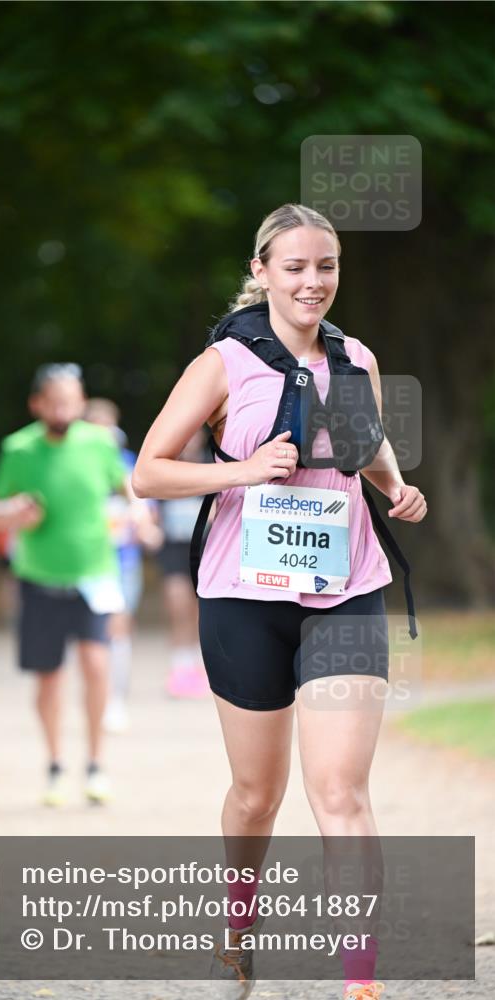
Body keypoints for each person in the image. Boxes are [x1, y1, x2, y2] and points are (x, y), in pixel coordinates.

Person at [133, 204, 427, 1000]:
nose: (311, 282)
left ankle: (358, 983)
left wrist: (396, 488)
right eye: (294, 267)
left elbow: (365, 444)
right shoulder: (223, 364)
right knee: (257, 795)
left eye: (324, 267)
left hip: (344, 591)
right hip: (242, 598)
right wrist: (241, 470)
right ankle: (237, 926)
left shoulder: (352, 355)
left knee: (339, 790)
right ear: (261, 271)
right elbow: (150, 472)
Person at [0, 363, 128, 806]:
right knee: (49, 680)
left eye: (72, 400)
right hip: (39, 579)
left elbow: (128, 489)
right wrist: (12, 513)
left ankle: (97, 765)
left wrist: (139, 513)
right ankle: (55, 764)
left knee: (98, 667)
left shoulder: (100, 443)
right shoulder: (18, 448)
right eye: (56, 401)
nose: (65, 408)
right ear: (37, 404)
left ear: (82, 402)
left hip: (94, 575)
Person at [84, 397, 162, 732]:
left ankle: (115, 700)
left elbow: (149, 510)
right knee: (89, 636)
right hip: (84, 563)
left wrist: (145, 527)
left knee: (118, 628)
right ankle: (94, 697)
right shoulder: (77, 467)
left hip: (122, 561)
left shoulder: (129, 464)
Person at [155, 429, 212, 698]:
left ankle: (201, 669)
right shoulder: (165, 466)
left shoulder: (212, 464)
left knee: (203, 613)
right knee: (179, 609)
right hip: (174, 550)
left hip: (205, 548)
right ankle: (180, 668)